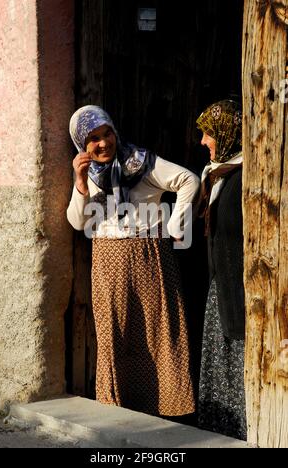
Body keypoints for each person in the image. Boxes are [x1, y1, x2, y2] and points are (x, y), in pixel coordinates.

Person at [67, 105, 200, 417]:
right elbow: (76, 222)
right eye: (93, 139)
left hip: (149, 258)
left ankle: (169, 408)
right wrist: (81, 183)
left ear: (115, 131)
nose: (103, 143)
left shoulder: (141, 162)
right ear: (81, 145)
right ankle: (118, 407)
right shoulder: (88, 174)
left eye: (106, 133)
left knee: (157, 331)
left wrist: (173, 225)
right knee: (115, 333)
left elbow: (189, 180)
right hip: (107, 263)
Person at [196, 99, 246, 440]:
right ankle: (219, 431)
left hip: (242, 292)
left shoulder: (246, 177)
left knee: (239, 362)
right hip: (221, 288)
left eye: (208, 134)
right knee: (220, 363)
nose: (202, 142)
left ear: (228, 134)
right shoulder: (218, 175)